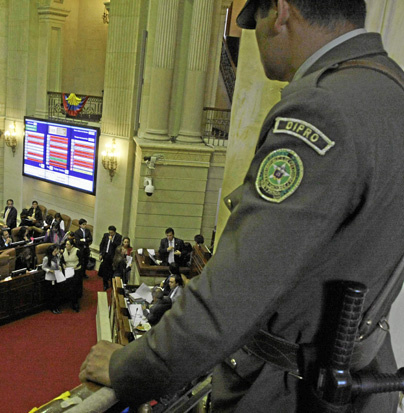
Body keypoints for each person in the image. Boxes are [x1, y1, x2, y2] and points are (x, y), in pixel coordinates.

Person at [79, 1, 404, 412]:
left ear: (280, 13)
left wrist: (130, 368)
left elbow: (235, 291)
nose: (253, 38)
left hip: (288, 392)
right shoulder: (391, 88)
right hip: (361, 382)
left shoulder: (321, 110)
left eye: (253, 24)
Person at [98, 225, 122, 291]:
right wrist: (101, 254)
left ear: (114, 232)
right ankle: (105, 284)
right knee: (105, 271)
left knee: (111, 271)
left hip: (113, 257)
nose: (110, 234)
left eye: (112, 233)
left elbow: (117, 246)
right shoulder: (106, 235)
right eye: (109, 232)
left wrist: (112, 241)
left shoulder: (118, 237)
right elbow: (102, 245)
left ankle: (112, 283)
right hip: (106, 255)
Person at [61, 239, 82, 312]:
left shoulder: (77, 251)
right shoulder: (64, 251)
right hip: (68, 270)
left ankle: (75, 303)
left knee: (74, 286)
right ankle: (69, 299)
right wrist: (63, 264)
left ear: (72, 245)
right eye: (66, 244)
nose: (66, 245)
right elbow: (62, 260)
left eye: (68, 244)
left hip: (76, 270)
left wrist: (76, 266)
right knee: (69, 286)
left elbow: (81, 260)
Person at [42, 244, 63, 314]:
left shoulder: (57, 257)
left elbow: (59, 264)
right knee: (51, 293)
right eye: (55, 251)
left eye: (57, 251)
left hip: (57, 276)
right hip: (50, 278)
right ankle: (52, 307)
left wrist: (60, 267)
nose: (56, 252)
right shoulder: (46, 258)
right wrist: (50, 270)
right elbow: (43, 267)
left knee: (57, 292)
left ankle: (56, 306)